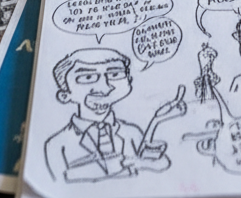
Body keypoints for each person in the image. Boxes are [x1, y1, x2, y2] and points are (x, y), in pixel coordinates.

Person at [44, 48, 174, 183]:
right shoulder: (57, 144)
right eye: (87, 77)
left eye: (114, 74)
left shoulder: (131, 132)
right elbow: (55, 183)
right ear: (64, 95)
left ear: (129, 81)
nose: (104, 87)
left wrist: (156, 121)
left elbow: (160, 163)